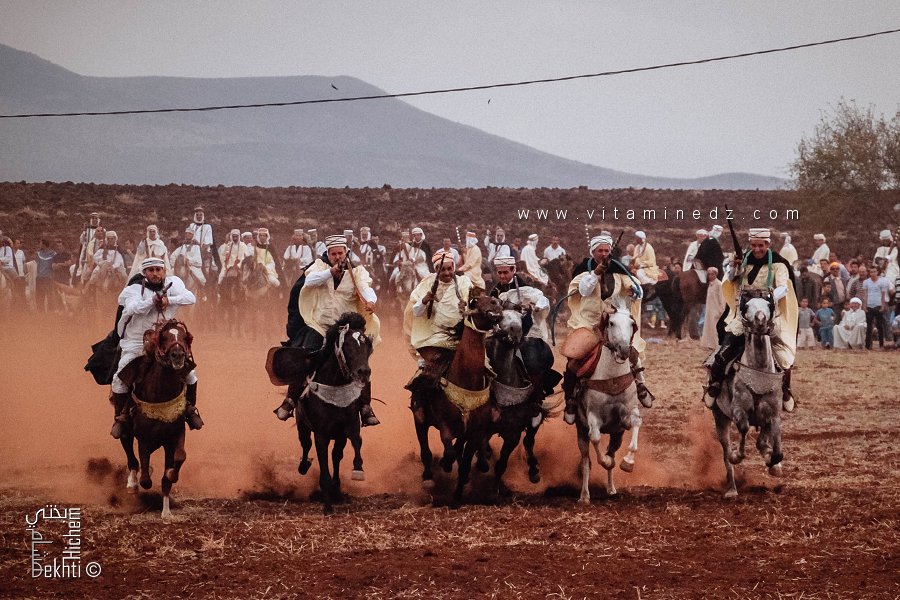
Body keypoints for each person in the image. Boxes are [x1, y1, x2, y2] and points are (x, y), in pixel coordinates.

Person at [275, 234, 381, 426]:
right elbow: (309, 282)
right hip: (320, 326)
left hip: (346, 329)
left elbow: (366, 288)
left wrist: (371, 300)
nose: (337, 257)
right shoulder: (318, 267)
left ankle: (365, 406)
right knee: (306, 355)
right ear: (328, 253)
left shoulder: (356, 271)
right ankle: (290, 400)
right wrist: (330, 272)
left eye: (340, 253)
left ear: (346, 252)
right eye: (333, 254)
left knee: (361, 361)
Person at [705, 228, 798, 412]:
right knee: (725, 350)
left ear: (767, 245)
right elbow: (731, 279)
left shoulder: (778, 264)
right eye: (754, 245)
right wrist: (735, 267)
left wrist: (767, 299)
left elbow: (783, 288)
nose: (757, 249)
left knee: (781, 356)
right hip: (744, 316)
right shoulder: (743, 258)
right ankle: (715, 383)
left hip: (769, 316)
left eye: (761, 246)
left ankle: (785, 389)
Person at [563, 234, 653, 424]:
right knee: (574, 359)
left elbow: (637, 287)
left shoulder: (619, 271)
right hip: (589, 324)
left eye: (606, 250)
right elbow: (584, 291)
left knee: (631, 350)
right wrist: (596, 273)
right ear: (593, 252)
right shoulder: (583, 272)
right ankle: (571, 399)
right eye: (600, 251)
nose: (603, 254)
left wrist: (635, 291)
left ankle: (640, 385)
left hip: (612, 321)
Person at [109, 257, 201, 438]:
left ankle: (190, 409)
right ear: (144, 273)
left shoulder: (173, 283)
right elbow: (134, 308)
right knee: (119, 378)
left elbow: (190, 297)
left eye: (159, 269)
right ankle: (121, 416)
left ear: (164, 271)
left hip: (163, 339)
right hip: (136, 340)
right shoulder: (133, 289)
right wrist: (154, 301)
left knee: (190, 374)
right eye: (151, 270)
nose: (155, 273)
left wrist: (169, 299)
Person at [404, 250, 473, 400]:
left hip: (462, 334)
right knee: (429, 372)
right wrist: (425, 300)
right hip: (435, 335)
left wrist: (465, 309)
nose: (447, 273)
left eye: (450, 268)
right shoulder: (427, 283)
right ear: (436, 270)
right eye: (443, 269)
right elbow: (416, 312)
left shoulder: (464, 283)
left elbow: (474, 308)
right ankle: (421, 404)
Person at [186, 205, 220, 278]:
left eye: (200, 215)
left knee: (206, 270)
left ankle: (207, 284)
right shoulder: (191, 226)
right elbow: (188, 237)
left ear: (203, 216)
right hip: (192, 249)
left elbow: (207, 242)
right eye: (197, 215)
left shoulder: (207, 226)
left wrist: (200, 249)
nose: (199, 216)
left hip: (203, 250)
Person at [862, 267, 890, 349]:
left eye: (874, 271)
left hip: (878, 305)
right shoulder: (866, 282)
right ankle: (868, 345)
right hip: (869, 305)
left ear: (877, 272)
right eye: (871, 272)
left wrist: (883, 305)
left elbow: (883, 294)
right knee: (869, 326)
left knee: (880, 326)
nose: (873, 273)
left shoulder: (882, 282)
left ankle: (881, 344)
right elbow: (865, 294)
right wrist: (864, 305)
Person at [701, 267, 726, 349]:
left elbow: (722, 298)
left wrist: (721, 310)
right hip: (709, 309)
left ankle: (715, 344)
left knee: (715, 328)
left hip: (716, 310)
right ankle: (708, 343)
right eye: (709, 274)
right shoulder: (710, 284)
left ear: (716, 274)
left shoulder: (719, 284)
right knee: (709, 327)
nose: (710, 276)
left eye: (712, 274)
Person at [75, 212, 101, 283]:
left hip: (97, 251)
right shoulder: (87, 230)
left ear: (98, 220)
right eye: (93, 218)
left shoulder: (101, 230)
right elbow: (81, 240)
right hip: (86, 253)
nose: (94, 220)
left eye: (96, 218)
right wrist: (84, 231)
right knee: (84, 268)